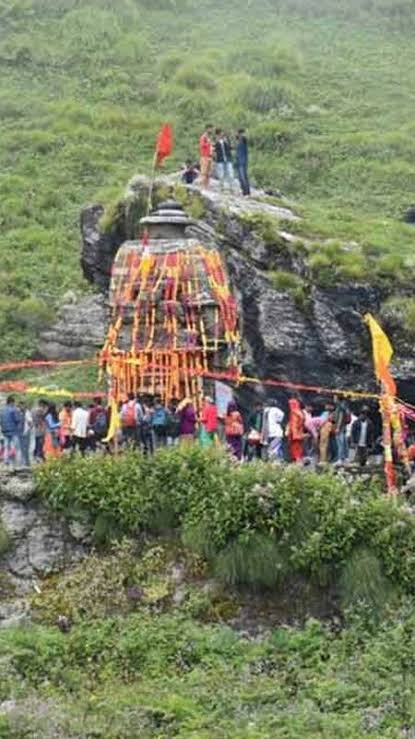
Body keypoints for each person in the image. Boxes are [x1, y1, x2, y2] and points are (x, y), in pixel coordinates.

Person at [0, 396, 22, 467]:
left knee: (6, 446)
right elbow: (17, 420)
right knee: (16, 447)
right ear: (12, 402)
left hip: (5, 431)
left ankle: (6, 460)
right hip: (14, 431)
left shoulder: (2, 410)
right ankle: (17, 462)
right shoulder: (14, 410)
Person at [287, 398, 305, 463]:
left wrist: (294, 435)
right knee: (299, 448)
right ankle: (299, 459)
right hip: (300, 432)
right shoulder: (300, 412)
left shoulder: (294, 413)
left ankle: (297, 461)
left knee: (294, 448)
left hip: (294, 434)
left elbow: (294, 424)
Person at [334, 396, 351, 464]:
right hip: (344, 427)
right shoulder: (345, 406)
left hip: (340, 428)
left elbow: (340, 417)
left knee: (340, 443)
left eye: (335, 397)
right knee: (344, 443)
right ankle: (345, 458)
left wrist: (338, 427)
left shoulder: (340, 407)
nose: (334, 399)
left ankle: (340, 459)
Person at [18, 401, 33, 467]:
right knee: (22, 449)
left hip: (25, 433)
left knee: (25, 448)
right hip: (20, 433)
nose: (20, 407)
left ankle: (26, 463)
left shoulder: (27, 413)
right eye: (20, 406)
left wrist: (28, 431)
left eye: (22, 406)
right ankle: (25, 462)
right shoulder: (20, 412)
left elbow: (31, 423)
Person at [235, 129, 250, 196]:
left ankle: (246, 192)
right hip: (239, 161)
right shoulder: (239, 142)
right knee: (241, 177)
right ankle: (245, 191)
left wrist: (242, 134)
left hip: (242, 161)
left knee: (243, 177)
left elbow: (244, 138)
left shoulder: (243, 140)